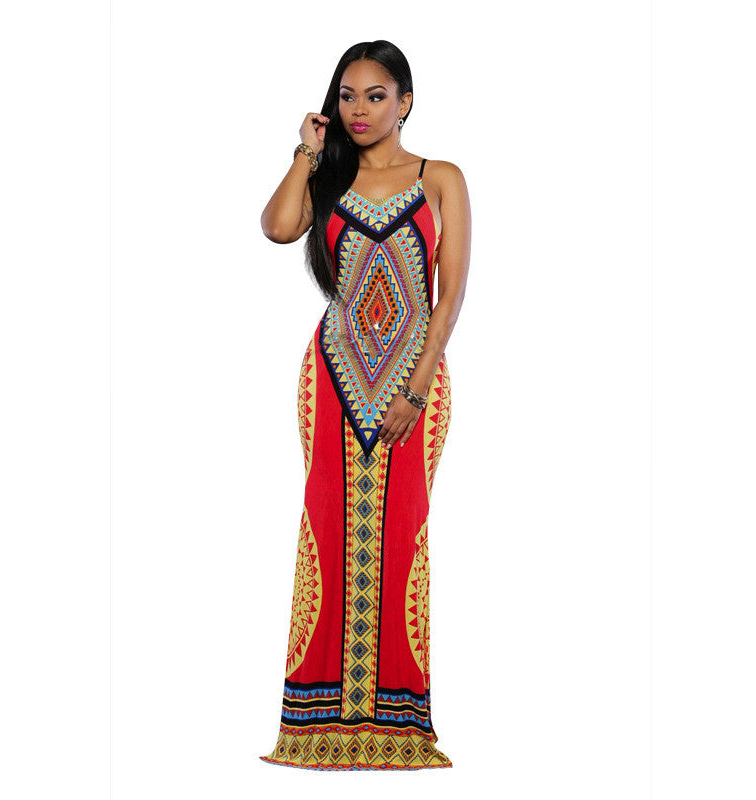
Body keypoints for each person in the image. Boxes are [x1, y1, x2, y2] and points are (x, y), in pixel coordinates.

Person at [258, 39, 471, 771]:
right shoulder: (328, 177)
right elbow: (277, 227)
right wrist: (306, 152)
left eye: (376, 96)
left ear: (405, 102)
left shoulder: (440, 178)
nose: (359, 109)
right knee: (326, 528)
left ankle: (399, 721)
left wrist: (416, 386)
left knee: (403, 535)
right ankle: (315, 721)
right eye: (347, 96)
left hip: (416, 381)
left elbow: (450, 296)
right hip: (333, 379)